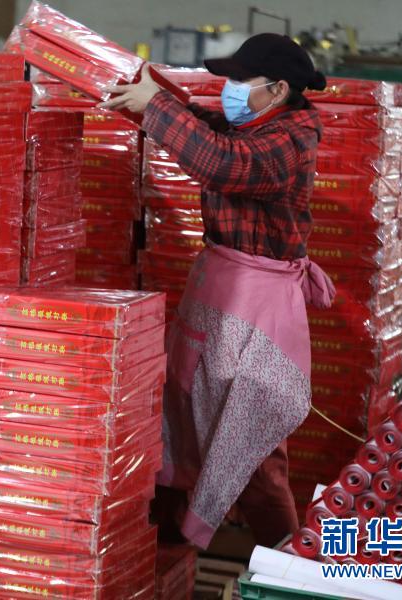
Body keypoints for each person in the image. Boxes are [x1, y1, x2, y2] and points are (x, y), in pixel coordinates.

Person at [100, 33, 336, 549]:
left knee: (250, 443)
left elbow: (224, 163)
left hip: (258, 309)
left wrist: (158, 106)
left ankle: (286, 563)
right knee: (182, 412)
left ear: (278, 90)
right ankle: (163, 550)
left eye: (239, 81)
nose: (229, 90)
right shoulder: (255, 124)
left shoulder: (290, 141)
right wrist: (146, 101)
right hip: (221, 292)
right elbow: (208, 129)